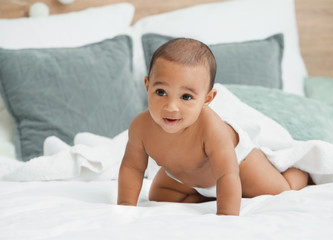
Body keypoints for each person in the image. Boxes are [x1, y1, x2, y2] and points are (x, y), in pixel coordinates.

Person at [117, 38, 309, 216]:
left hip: (238, 166)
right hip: (188, 177)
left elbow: (227, 173)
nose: (171, 107)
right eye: (161, 92)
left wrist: (225, 217)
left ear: (207, 99)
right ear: (147, 85)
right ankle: (211, 196)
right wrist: (126, 206)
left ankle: (300, 173)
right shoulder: (140, 127)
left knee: (280, 191)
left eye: (186, 97)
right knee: (158, 196)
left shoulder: (211, 128)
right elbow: (132, 167)